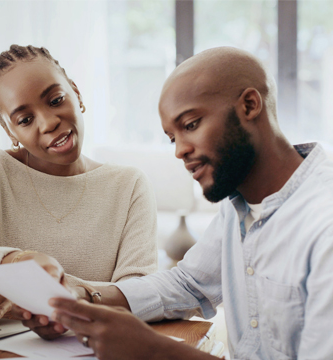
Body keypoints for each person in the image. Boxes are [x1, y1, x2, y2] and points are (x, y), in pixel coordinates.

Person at [44, 47, 333, 360]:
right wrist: (83, 299)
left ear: (249, 105)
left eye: (191, 124)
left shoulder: (323, 225)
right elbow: (189, 283)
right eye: (172, 137)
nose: (180, 150)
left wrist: (154, 351)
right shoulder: (239, 203)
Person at [0, 45, 157, 332]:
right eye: (24, 120)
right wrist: (16, 264)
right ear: (10, 132)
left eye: (56, 100)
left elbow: (140, 293)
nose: (49, 123)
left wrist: (32, 292)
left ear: (77, 92)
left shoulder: (129, 185)